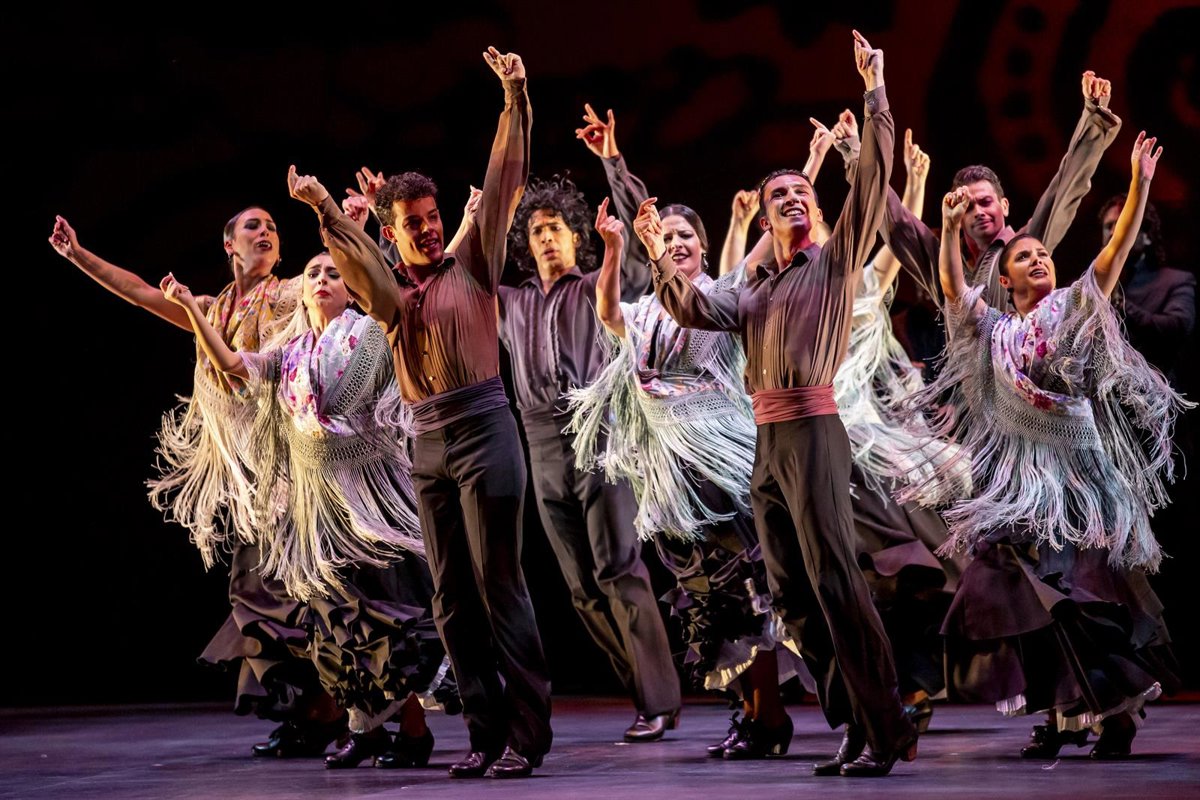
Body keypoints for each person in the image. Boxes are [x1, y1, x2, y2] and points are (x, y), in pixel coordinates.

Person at [647, 32, 917, 777]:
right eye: (779, 197)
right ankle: (853, 721)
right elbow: (690, 306)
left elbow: (873, 181)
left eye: (802, 192)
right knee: (790, 594)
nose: (794, 198)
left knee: (834, 580)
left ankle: (885, 725)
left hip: (814, 429)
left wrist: (875, 90)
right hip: (768, 442)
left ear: (815, 208)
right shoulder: (752, 291)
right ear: (765, 220)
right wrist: (654, 250)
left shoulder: (833, 263)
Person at [285, 47, 551, 780]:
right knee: (451, 599)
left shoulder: (475, 263)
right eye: (415, 223)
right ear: (395, 232)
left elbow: (504, 178)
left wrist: (515, 100)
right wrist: (327, 211)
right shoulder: (393, 297)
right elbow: (361, 269)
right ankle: (483, 734)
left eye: (434, 218)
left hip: (487, 430)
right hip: (428, 444)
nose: (430, 229)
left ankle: (526, 735)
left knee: (500, 585)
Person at [906, 131, 1186, 759]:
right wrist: (947, 230)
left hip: (1078, 483)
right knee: (1022, 593)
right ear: (1005, 280)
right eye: (1025, 257)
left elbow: (1113, 252)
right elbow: (952, 288)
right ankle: (1065, 714)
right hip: (1023, 486)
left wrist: (1140, 185)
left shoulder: (1072, 305)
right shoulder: (994, 329)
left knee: (1080, 600)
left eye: (1042, 254)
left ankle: (1114, 712)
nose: (1038, 260)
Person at [48, 210, 345, 757]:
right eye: (252, 226)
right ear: (229, 245)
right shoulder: (210, 308)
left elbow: (341, 283)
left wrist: (349, 227)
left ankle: (331, 712)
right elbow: (140, 292)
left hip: (292, 466)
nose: (265, 231)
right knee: (261, 595)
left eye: (272, 226)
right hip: (251, 477)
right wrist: (78, 255)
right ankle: (314, 713)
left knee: (288, 592)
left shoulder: (290, 294)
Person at [161, 252, 456, 768]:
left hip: (370, 503)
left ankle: (414, 731)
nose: (321, 279)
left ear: (352, 287)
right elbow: (232, 366)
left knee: (383, 622)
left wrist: (358, 237)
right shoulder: (291, 353)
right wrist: (190, 308)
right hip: (318, 512)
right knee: (336, 627)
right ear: (302, 291)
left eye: (334, 273)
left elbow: (398, 302)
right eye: (314, 273)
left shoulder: (369, 333)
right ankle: (365, 728)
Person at [498, 156, 680, 742]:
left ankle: (657, 702)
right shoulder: (512, 302)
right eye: (536, 230)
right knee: (581, 588)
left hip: (599, 434)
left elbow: (639, 245)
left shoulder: (601, 283)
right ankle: (648, 693)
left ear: (576, 235)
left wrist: (614, 164)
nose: (546, 237)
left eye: (556, 227)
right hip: (538, 442)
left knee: (618, 568)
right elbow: (447, 280)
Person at [862, 70, 1122, 311]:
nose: (979, 211)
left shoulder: (1025, 247)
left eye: (986, 202)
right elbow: (894, 220)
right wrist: (857, 150)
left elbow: (1065, 189)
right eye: (969, 206)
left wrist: (1094, 117)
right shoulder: (945, 266)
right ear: (958, 216)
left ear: (1004, 206)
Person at [1098, 197, 1195, 385]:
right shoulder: (1084, 285)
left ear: (1147, 236)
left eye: (1124, 224)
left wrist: (1121, 305)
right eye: (1108, 226)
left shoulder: (1175, 281)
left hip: (1151, 395)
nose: (1114, 232)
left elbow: (1178, 326)